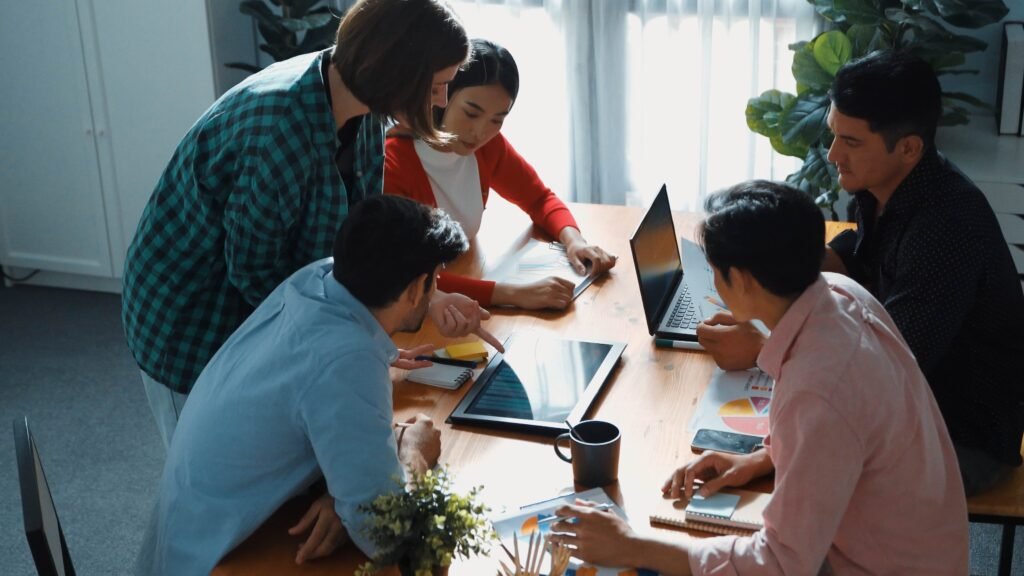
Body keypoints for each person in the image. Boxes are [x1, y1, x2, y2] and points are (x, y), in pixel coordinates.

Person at [122, 0, 500, 450]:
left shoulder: (362, 106)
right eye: (437, 86)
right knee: (212, 460)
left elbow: (361, 242)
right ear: (397, 70)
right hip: (193, 320)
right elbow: (258, 276)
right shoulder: (277, 129)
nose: (441, 101)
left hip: (266, 311)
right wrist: (357, 342)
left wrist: (427, 296)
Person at [550, 180, 968, 575]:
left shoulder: (818, 389)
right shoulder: (841, 292)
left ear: (745, 281)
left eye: (714, 270)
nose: (711, 282)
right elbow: (853, 432)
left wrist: (633, 545)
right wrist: (764, 458)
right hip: (920, 544)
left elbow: (781, 564)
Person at [696, 50, 1024, 495]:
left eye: (851, 142)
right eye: (834, 134)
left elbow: (887, 369)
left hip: (958, 434)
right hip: (899, 396)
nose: (833, 154)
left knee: (785, 476)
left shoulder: (946, 230)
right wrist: (770, 267)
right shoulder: (884, 187)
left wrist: (765, 347)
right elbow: (862, 258)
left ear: (908, 148)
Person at [134, 195, 472, 575]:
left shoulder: (317, 279)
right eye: (434, 280)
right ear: (414, 289)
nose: (435, 289)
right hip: (214, 560)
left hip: (186, 528)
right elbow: (383, 532)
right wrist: (414, 452)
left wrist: (345, 499)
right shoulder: (347, 359)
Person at [384, 38, 617, 310]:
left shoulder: (487, 147)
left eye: (497, 120)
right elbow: (410, 277)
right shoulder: (393, 163)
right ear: (441, 97)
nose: (480, 132)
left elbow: (539, 198)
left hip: (465, 280)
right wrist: (512, 294)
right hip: (414, 315)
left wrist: (574, 241)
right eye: (471, 113)